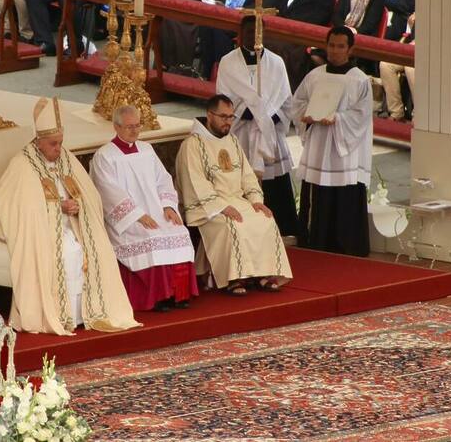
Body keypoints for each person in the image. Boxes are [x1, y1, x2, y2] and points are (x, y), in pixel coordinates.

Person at [0, 97, 140, 335]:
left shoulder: (65, 157)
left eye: (60, 143)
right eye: (53, 144)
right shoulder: (22, 164)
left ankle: (84, 313)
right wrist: (55, 208)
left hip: (72, 224)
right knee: (69, 252)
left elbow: (90, 193)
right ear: (39, 141)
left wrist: (78, 204)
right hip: (40, 228)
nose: (58, 150)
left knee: (94, 248)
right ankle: (63, 316)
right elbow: (11, 203)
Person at [175, 94, 293, 296]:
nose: (228, 122)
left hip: (237, 201)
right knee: (232, 225)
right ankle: (233, 278)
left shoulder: (232, 140)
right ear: (209, 115)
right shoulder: (192, 145)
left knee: (265, 219)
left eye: (231, 117)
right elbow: (195, 183)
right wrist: (221, 207)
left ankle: (262, 274)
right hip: (209, 206)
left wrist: (256, 201)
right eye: (223, 117)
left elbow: (247, 174)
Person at [89, 106, 198, 312]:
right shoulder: (104, 156)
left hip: (156, 210)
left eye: (137, 125)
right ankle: (159, 296)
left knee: (178, 231)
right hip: (128, 218)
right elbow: (108, 192)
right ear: (116, 126)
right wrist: (137, 215)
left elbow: (163, 180)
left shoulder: (147, 150)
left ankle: (179, 294)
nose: (135, 131)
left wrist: (168, 207)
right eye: (129, 127)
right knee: (150, 237)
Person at [292, 26, 372, 256]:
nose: (334, 51)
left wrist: (335, 118)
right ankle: (316, 242)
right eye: (331, 45)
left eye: (340, 46)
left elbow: (361, 117)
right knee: (317, 196)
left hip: (343, 152)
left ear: (350, 49)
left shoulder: (359, 80)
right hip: (319, 146)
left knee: (343, 196)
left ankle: (345, 245)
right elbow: (296, 103)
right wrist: (306, 114)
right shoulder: (315, 76)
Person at [216, 16, 298, 236]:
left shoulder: (276, 62)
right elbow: (223, 97)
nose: (254, 35)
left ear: (265, 33)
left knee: (275, 186)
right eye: (249, 31)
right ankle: (245, 227)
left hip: (268, 133)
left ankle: (280, 227)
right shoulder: (228, 62)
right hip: (241, 130)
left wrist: (269, 116)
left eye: (258, 31)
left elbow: (286, 100)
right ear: (240, 32)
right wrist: (248, 112)